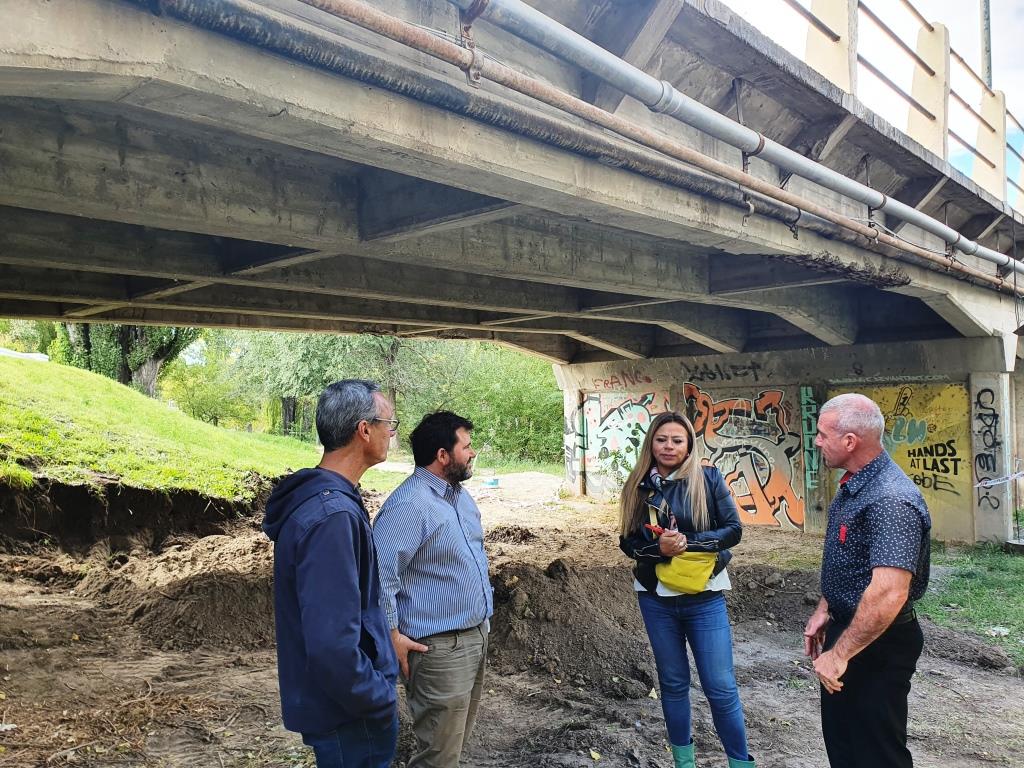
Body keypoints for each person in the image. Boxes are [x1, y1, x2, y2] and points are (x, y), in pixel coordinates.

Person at [262, 379, 400, 768]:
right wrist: (378, 696)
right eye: (389, 424)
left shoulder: (329, 502)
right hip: (349, 715)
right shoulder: (332, 518)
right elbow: (331, 645)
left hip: (342, 708)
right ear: (364, 430)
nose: (391, 433)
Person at [618, 411, 755, 768]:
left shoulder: (708, 479)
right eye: (662, 439)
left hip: (704, 596)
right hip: (656, 599)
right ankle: (684, 762)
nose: (669, 446)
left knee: (720, 687)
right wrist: (657, 550)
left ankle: (741, 763)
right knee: (674, 684)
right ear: (652, 442)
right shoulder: (637, 485)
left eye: (677, 440)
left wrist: (689, 543)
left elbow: (733, 531)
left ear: (689, 445)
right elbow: (628, 542)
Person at [804, 393, 931, 768]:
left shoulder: (890, 499)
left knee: (877, 754)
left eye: (822, 434)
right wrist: (826, 608)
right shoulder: (856, 484)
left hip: (879, 643)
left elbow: (890, 592)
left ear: (849, 442)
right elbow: (851, 558)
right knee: (846, 748)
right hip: (853, 629)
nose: (816, 440)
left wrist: (840, 654)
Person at [373, 411, 493, 768]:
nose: (472, 453)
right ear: (443, 455)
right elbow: (381, 576)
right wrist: (392, 634)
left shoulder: (458, 497)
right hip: (439, 650)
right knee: (437, 756)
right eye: (466, 447)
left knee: (452, 747)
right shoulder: (410, 505)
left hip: (473, 637)